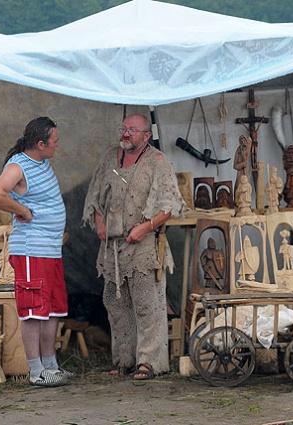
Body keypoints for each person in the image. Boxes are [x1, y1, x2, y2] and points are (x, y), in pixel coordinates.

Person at [83, 114, 184, 380]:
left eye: (132, 130)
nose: (125, 134)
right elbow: (94, 195)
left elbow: (170, 205)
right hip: (112, 248)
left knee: (146, 304)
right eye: (123, 128)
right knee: (115, 304)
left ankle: (150, 362)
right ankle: (123, 359)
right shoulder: (110, 157)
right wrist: (99, 221)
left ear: (146, 136)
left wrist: (145, 227)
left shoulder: (158, 162)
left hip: (143, 244)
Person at [0, 116, 74, 387]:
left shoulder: (43, 163)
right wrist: (22, 210)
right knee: (34, 310)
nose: (57, 146)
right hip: (31, 249)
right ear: (40, 144)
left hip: (49, 249)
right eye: (54, 142)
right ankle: (36, 371)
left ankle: (50, 366)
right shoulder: (18, 167)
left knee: (53, 309)